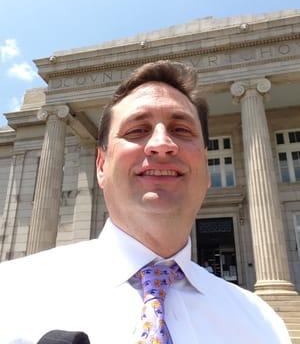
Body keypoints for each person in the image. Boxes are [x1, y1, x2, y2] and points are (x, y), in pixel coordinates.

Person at [0, 61, 291, 343]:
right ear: (101, 165)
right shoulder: (11, 295)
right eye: (137, 130)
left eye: (182, 130)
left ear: (206, 165)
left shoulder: (263, 325)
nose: (162, 144)